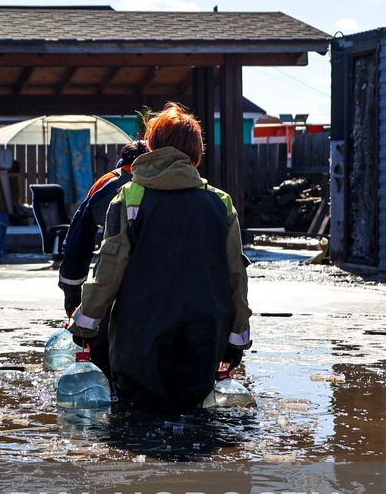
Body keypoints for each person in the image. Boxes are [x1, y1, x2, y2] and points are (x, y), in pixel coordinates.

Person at [69, 103, 252, 411]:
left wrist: (85, 324)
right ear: (196, 151)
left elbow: (109, 270)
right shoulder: (220, 203)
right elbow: (236, 273)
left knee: (139, 420)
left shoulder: (129, 197)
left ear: (151, 146)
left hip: (139, 336)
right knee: (192, 422)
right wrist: (237, 337)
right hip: (203, 335)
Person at [58, 140, 149, 370]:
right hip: (167, 285)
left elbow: (77, 243)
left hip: (113, 282)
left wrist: (73, 296)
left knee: (104, 358)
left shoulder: (106, 184)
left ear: (122, 162)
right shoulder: (180, 184)